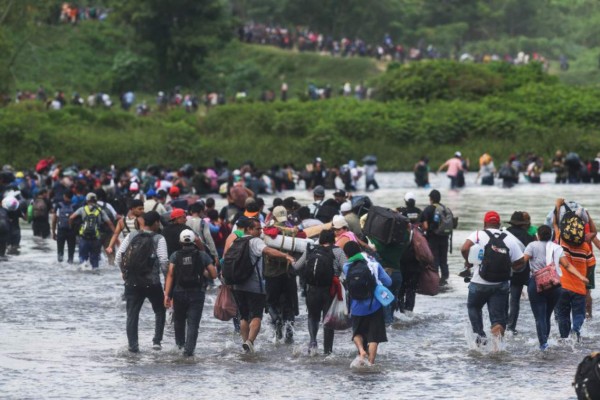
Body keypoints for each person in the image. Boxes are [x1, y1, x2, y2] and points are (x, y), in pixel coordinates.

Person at [227, 217, 294, 353]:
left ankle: (245, 344)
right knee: (256, 316)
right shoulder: (255, 241)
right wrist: (285, 256)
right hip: (255, 287)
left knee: (244, 317)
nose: (260, 231)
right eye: (257, 229)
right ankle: (250, 341)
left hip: (238, 286)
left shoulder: (237, 241)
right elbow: (268, 250)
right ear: (249, 229)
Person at [460, 211, 524, 347]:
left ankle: (480, 336)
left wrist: (469, 261)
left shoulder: (477, 235)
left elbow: (464, 248)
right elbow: (521, 261)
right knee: (498, 319)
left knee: (473, 307)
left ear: (485, 223)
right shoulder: (508, 238)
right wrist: (509, 267)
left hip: (478, 282)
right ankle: (497, 349)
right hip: (500, 284)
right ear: (499, 224)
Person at [524, 225, 588, 350]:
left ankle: (543, 344)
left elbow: (523, 261)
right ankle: (546, 341)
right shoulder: (557, 247)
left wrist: (511, 266)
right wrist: (581, 277)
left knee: (540, 317)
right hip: (555, 285)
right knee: (547, 316)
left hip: (537, 284)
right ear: (551, 236)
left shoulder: (532, 246)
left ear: (538, 235)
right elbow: (567, 265)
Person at [116, 211, 168, 353]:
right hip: (152, 282)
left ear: (143, 222)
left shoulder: (131, 235)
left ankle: (133, 346)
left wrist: (123, 272)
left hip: (132, 282)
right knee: (159, 310)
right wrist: (167, 280)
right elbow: (164, 261)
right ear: (156, 223)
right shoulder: (159, 238)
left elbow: (119, 256)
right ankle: (156, 342)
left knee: (132, 314)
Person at [292, 230, 347, 355]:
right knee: (328, 319)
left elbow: (297, 267)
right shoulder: (337, 251)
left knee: (313, 317)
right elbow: (347, 269)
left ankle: (313, 342)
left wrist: (291, 261)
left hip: (312, 290)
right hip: (330, 290)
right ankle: (327, 352)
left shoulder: (311, 249)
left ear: (321, 239)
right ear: (333, 239)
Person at [163, 229, 217, 356]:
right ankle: (189, 352)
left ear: (181, 242)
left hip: (178, 293)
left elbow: (170, 274)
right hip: (197, 293)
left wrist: (166, 295)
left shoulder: (175, 255)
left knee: (179, 322)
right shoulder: (202, 255)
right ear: (194, 241)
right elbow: (214, 275)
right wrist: (203, 272)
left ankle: (179, 347)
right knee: (193, 324)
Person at [342, 241, 391, 365]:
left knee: (357, 333)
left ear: (346, 255)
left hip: (356, 307)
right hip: (374, 306)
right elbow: (388, 282)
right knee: (374, 337)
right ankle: (371, 363)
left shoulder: (346, 267)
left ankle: (361, 350)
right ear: (360, 250)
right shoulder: (373, 264)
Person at [263, 206, 299, 343]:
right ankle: (289, 335)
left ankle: (276, 321)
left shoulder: (268, 230)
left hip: (272, 274)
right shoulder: (292, 231)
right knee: (289, 304)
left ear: (274, 216)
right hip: (289, 274)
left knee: (271, 303)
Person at [505, 211, 536, 335]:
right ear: (523, 223)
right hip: (523, 271)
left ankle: (504, 325)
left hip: (506, 270)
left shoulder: (504, 233)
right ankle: (511, 327)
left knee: (506, 298)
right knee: (515, 300)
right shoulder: (528, 236)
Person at [69, 192, 115, 270]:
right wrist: (115, 234)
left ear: (87, 200)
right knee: (95, 261)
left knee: (83, 259)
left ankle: (84, 270)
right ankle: (94, 271)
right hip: (96, 239)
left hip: (84, 238)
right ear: (96, 200)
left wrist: (71, 228)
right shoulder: (100, 211)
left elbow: (71, 218)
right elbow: (109, 223)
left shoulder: (82, 209)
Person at [420, 190, 451, 286]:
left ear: (431, 199)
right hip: (445, 238)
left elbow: (425, 226)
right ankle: (445, 280)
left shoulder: (428, 209)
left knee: (435, 260)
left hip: (433, 238)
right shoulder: (445, 208)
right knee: (444, 260)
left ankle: (435, 281)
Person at [51, 191, 77, 263]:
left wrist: (53, 232)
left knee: (60, 251)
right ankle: (70, 263)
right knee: (71, 251)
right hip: (72, 231)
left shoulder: (59, 205)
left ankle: (60, 265)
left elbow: (54, 220)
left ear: (64, 196)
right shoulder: (75, 206)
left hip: (61, 230)